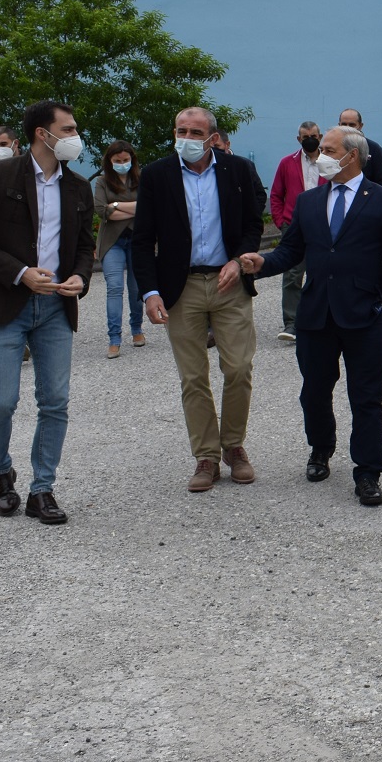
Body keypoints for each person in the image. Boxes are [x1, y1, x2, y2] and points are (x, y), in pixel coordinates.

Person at [238, 126, 382, 507]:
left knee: (366, 398)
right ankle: (320, 448)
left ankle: (367, 472)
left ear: (353, 156)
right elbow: (291, 250)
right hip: (315, 315)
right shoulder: (310, 201)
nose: (320, 156)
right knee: (314, 392)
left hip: (365, 316)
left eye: (329, 150)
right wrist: (261, 263)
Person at [0, 100, 93, 525]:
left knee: (54, 401)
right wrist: (20, 274)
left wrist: (80, 278)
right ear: (41, 133)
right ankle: (2, 473)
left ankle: (42, 490)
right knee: (1, 403)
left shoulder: (78, 187)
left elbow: (86, 247)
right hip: (5, 303)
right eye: (67, 129)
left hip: (55, 306)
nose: (74, 136)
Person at [133, 107, 266, 493]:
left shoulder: (236, 169)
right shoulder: (158, 175)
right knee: (193, 377)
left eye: (195, 132)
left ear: (212, 137)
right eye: (181, 130)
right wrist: (150, 291)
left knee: (239, 368)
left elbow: (252, 225)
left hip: (228, 283)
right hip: (181, 287)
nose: (187, 138)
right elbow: (142, 239)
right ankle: (206, 456)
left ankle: (234, 446)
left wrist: (239, 260)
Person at [268, 121, 326, 342]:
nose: (309, 139)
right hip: (293, 226)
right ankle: (292, 323)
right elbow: (276, 194)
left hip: (324, 225)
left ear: (320, 136)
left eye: (313, 135)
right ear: (298, 139)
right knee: (292, 274)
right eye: (305, 136)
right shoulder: (287, 163)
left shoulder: (330, 162)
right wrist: (281, 221)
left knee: (321, 273)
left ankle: (318, 320)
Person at [92, 141, 146, 357]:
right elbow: (100, 210)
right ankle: (114, 338)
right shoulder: (102, 181)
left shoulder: (141, 179)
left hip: (138, 240)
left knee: (136, 289)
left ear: (132, 159)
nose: (122, 164)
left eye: (125, 160)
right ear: (109, 161)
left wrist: (114, 206)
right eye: (117, 161)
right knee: (114, 288)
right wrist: (134, 209)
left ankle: (137, 329)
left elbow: (148, 206)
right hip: (111, 242)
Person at [338, 108, 382, 188]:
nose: (347, 128)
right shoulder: (333, 149)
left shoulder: (373, 149)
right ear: (339, 125)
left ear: (360, 126)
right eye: (344, 124)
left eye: (352, 125)